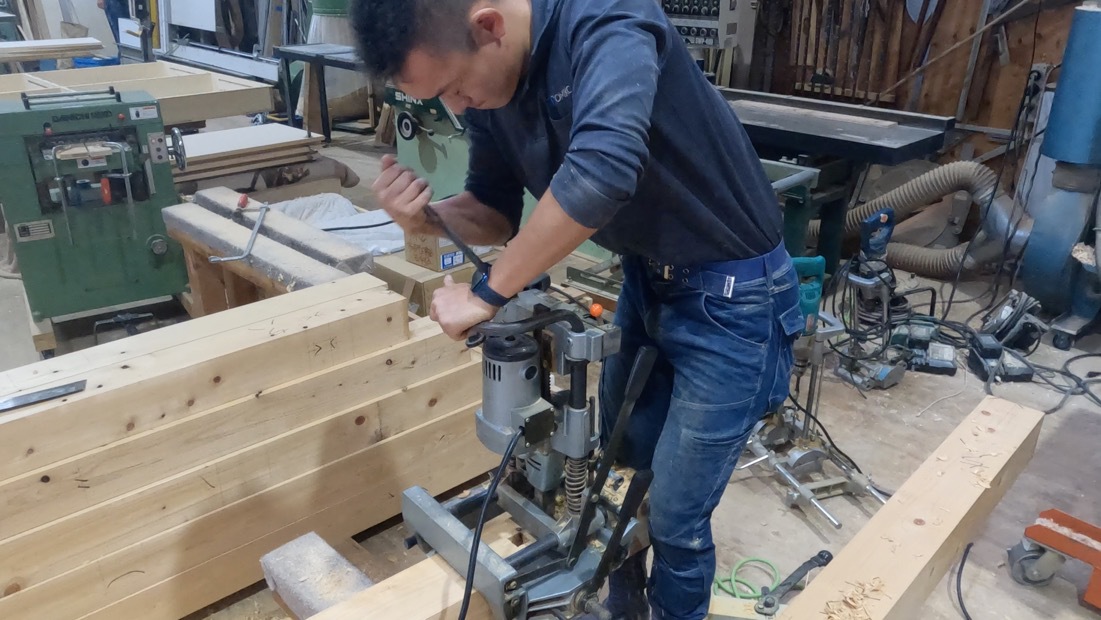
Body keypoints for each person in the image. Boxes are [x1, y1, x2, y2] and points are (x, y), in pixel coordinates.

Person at [350, 0, 804, 618]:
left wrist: (484, 297)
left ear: (488, 27)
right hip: (650, 280)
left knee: (676, 517)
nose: (456, 108)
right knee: (620, 476)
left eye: (454, 86)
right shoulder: (492, 90)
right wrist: (429, 218)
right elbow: (494, 209)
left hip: (736, 298)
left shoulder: (606, 21)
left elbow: (603, 173)